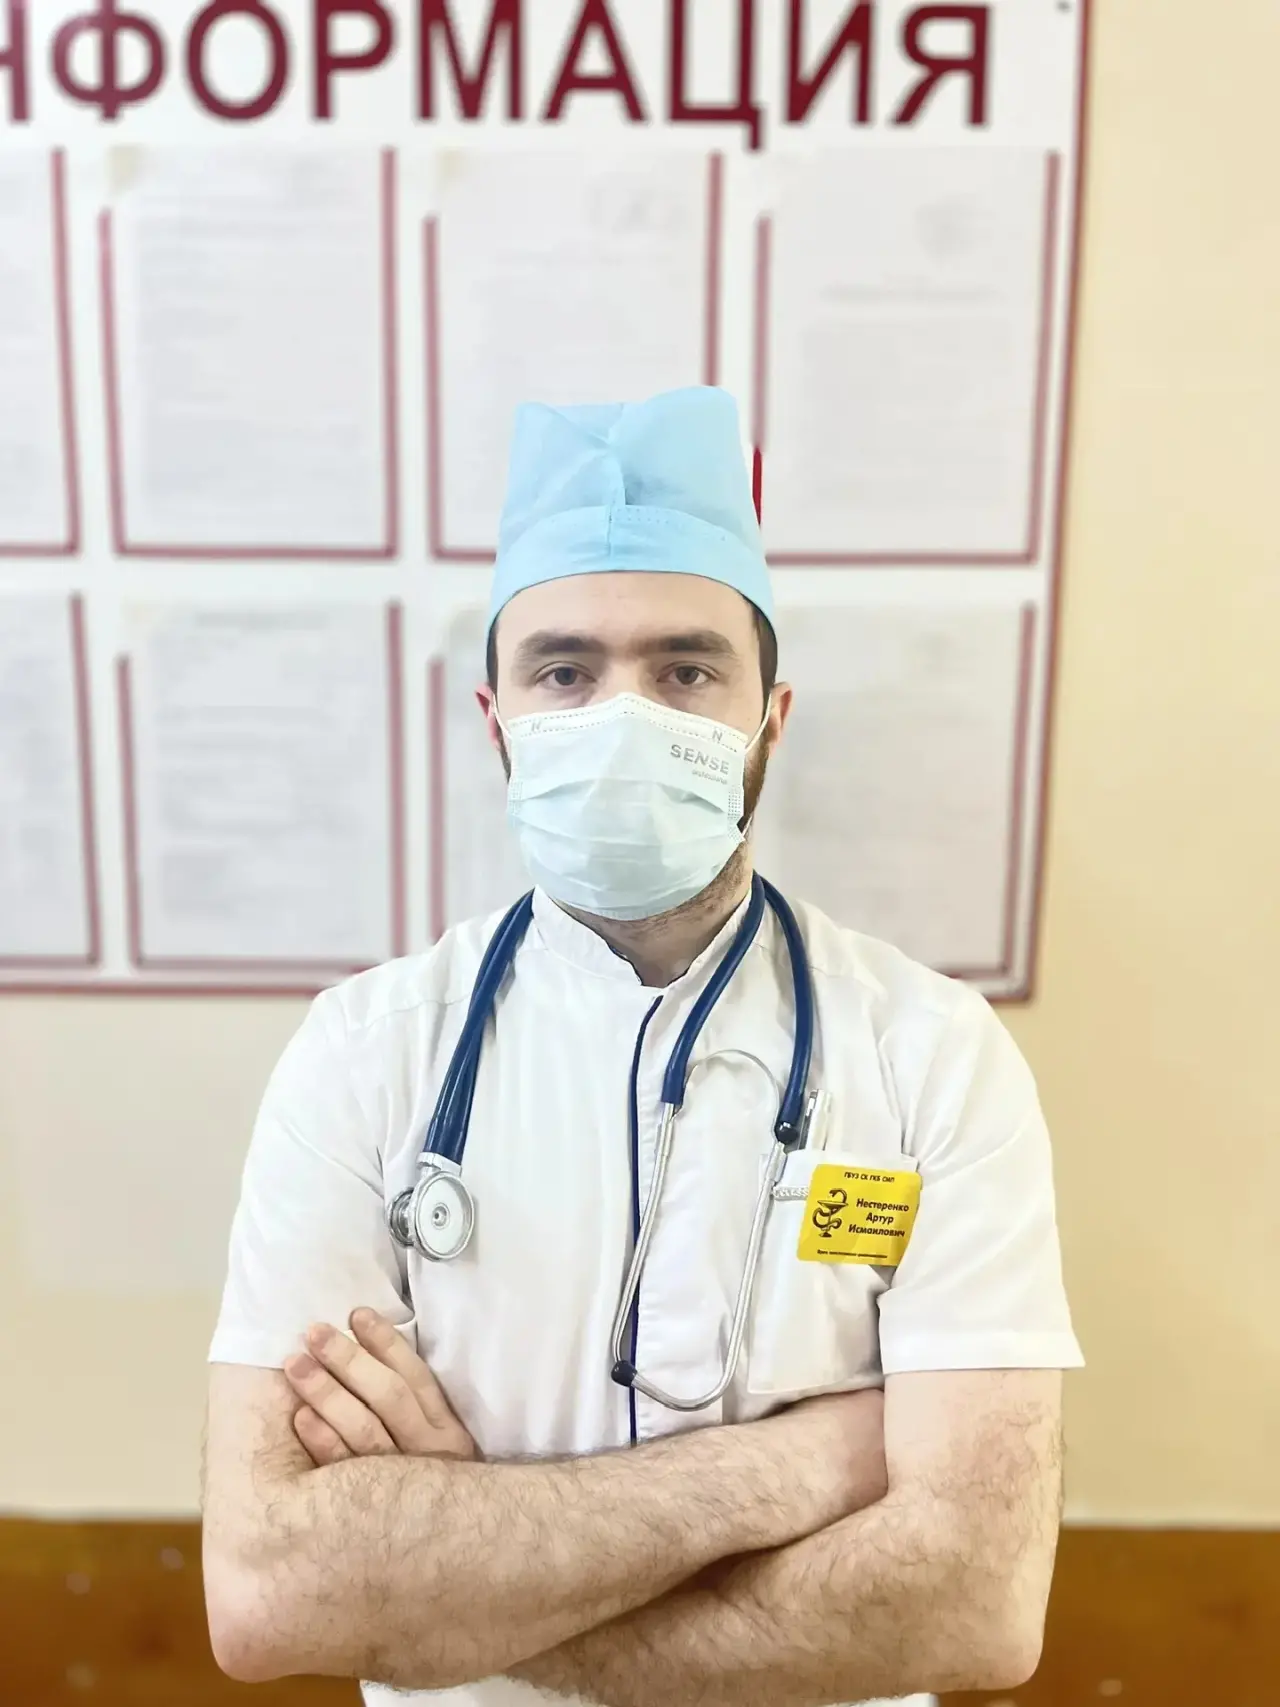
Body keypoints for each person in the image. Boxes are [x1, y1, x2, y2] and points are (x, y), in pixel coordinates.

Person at [202, 386, 1083, 1707]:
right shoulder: (365, 1056)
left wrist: (453, 1562)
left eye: (686, 670)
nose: (624, 716)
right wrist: (792, 1469)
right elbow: (271, 1592)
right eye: (565, 671)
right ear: (499, 724)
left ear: (769, 720)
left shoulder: (935, 1059)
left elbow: (976, 1604)